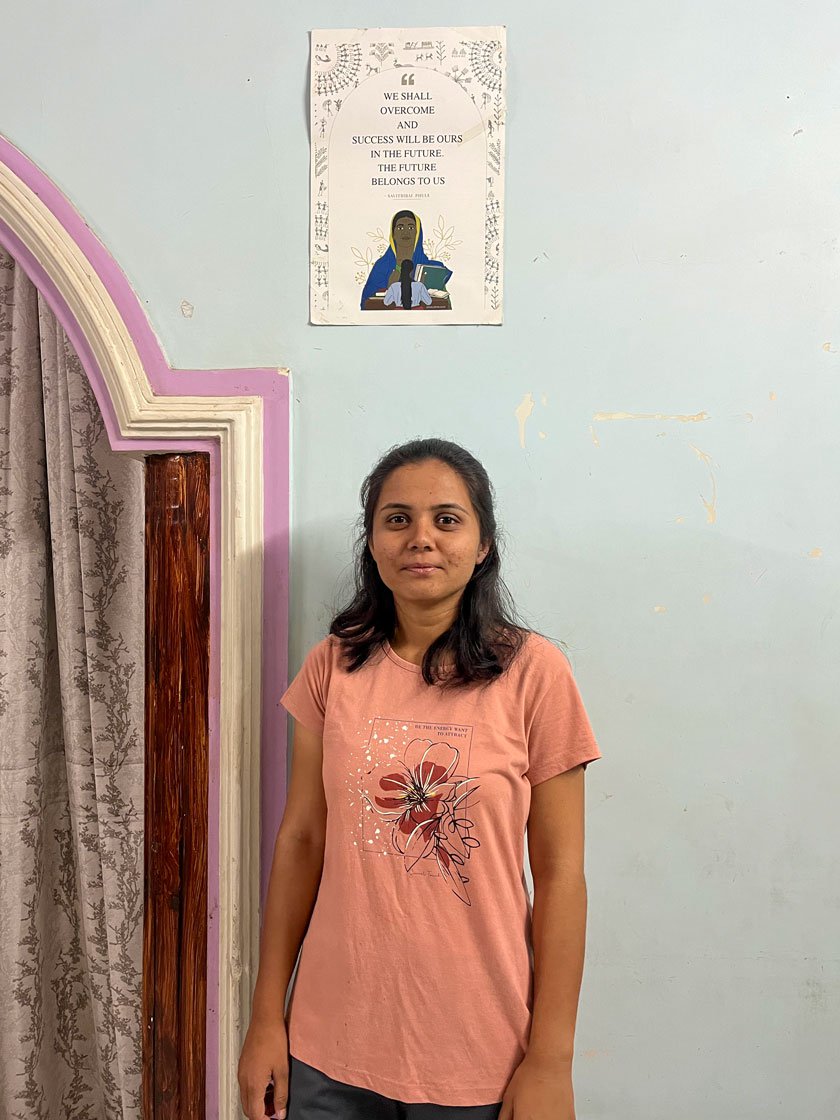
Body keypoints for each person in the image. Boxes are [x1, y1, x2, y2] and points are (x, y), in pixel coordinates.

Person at [238, 438, 602, 1120]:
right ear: (372, 541)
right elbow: (301, 844)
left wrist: (552, 1057)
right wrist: (266, 1019)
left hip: (480, 1052)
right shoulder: (333, 666)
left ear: (484, 543)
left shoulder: (535, 674)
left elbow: (560, 875)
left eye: (447, 518)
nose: (421, 538)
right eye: (397, 518)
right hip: (328, 1048)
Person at [360, 211, 450, 308]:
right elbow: (367, 302)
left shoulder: (433, 268)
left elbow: (443, 305)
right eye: (400, 227)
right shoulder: (382, 266)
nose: (405, 232)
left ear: (417, 233)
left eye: (411, 227)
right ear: (393, 233)